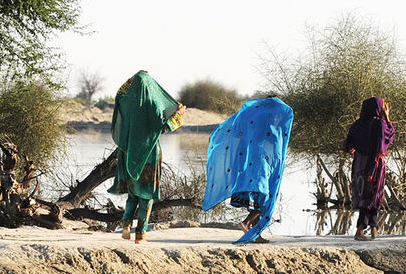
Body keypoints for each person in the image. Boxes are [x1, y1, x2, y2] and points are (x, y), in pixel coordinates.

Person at [202, 97, 294, 244]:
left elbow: (239, 132)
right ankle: (246, 224)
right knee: (265, 197)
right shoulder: (268, 125)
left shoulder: (254, 120)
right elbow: (274, 140)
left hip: (252, 161)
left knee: (260, 196)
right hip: (261, 163)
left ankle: (254, 233)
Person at [108, 70, 186, 243]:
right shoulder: (154, 105)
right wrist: (178, 117)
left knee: (133, 194)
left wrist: (132, 78)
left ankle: (126, 224)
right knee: (146, 195)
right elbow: (163, 127)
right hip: (150, 154)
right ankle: (141, 234)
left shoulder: (127, 103)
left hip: (129, 154)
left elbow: (119, 93)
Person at [343, 97, 396, 241]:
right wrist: (387, 117)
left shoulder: (356, 124)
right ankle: (361, 230)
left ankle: (373, 229)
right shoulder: (379, 124)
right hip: (374, 164)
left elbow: (348, 145)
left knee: (366, 196)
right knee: (373, 195)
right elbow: (390, 136)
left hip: (359, 163)